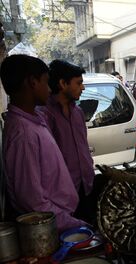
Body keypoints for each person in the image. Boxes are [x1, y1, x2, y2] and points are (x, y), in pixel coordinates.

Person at [1, 54, 86, 232]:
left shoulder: (35, 119)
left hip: (62, 217)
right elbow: (31, 201)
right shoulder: (23, 133)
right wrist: (72, 224)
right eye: (46, 82)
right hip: (51, 226)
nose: (49, 89)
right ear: (32, 82)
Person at [39, 60, 97, 225]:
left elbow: (83, 146)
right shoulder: (45, 115)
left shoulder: (78, 112)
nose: (83, 88)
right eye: (78, 83)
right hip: (62, 193)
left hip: (86, 185)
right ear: (63, 84)